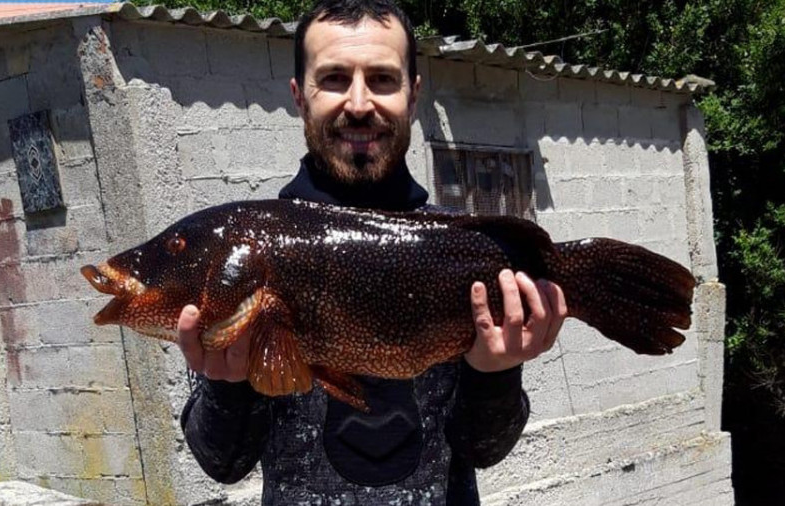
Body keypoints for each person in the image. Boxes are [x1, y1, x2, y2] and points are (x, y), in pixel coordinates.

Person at [176, 1, 567, 504]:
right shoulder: (251, 250)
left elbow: (483, 448)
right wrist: (229, 388)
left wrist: (495, 374)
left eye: (382, 79)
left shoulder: (462, 249)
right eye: (334, 79)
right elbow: (222, 463)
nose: (359, 103)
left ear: (414, 94)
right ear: (300, 97)